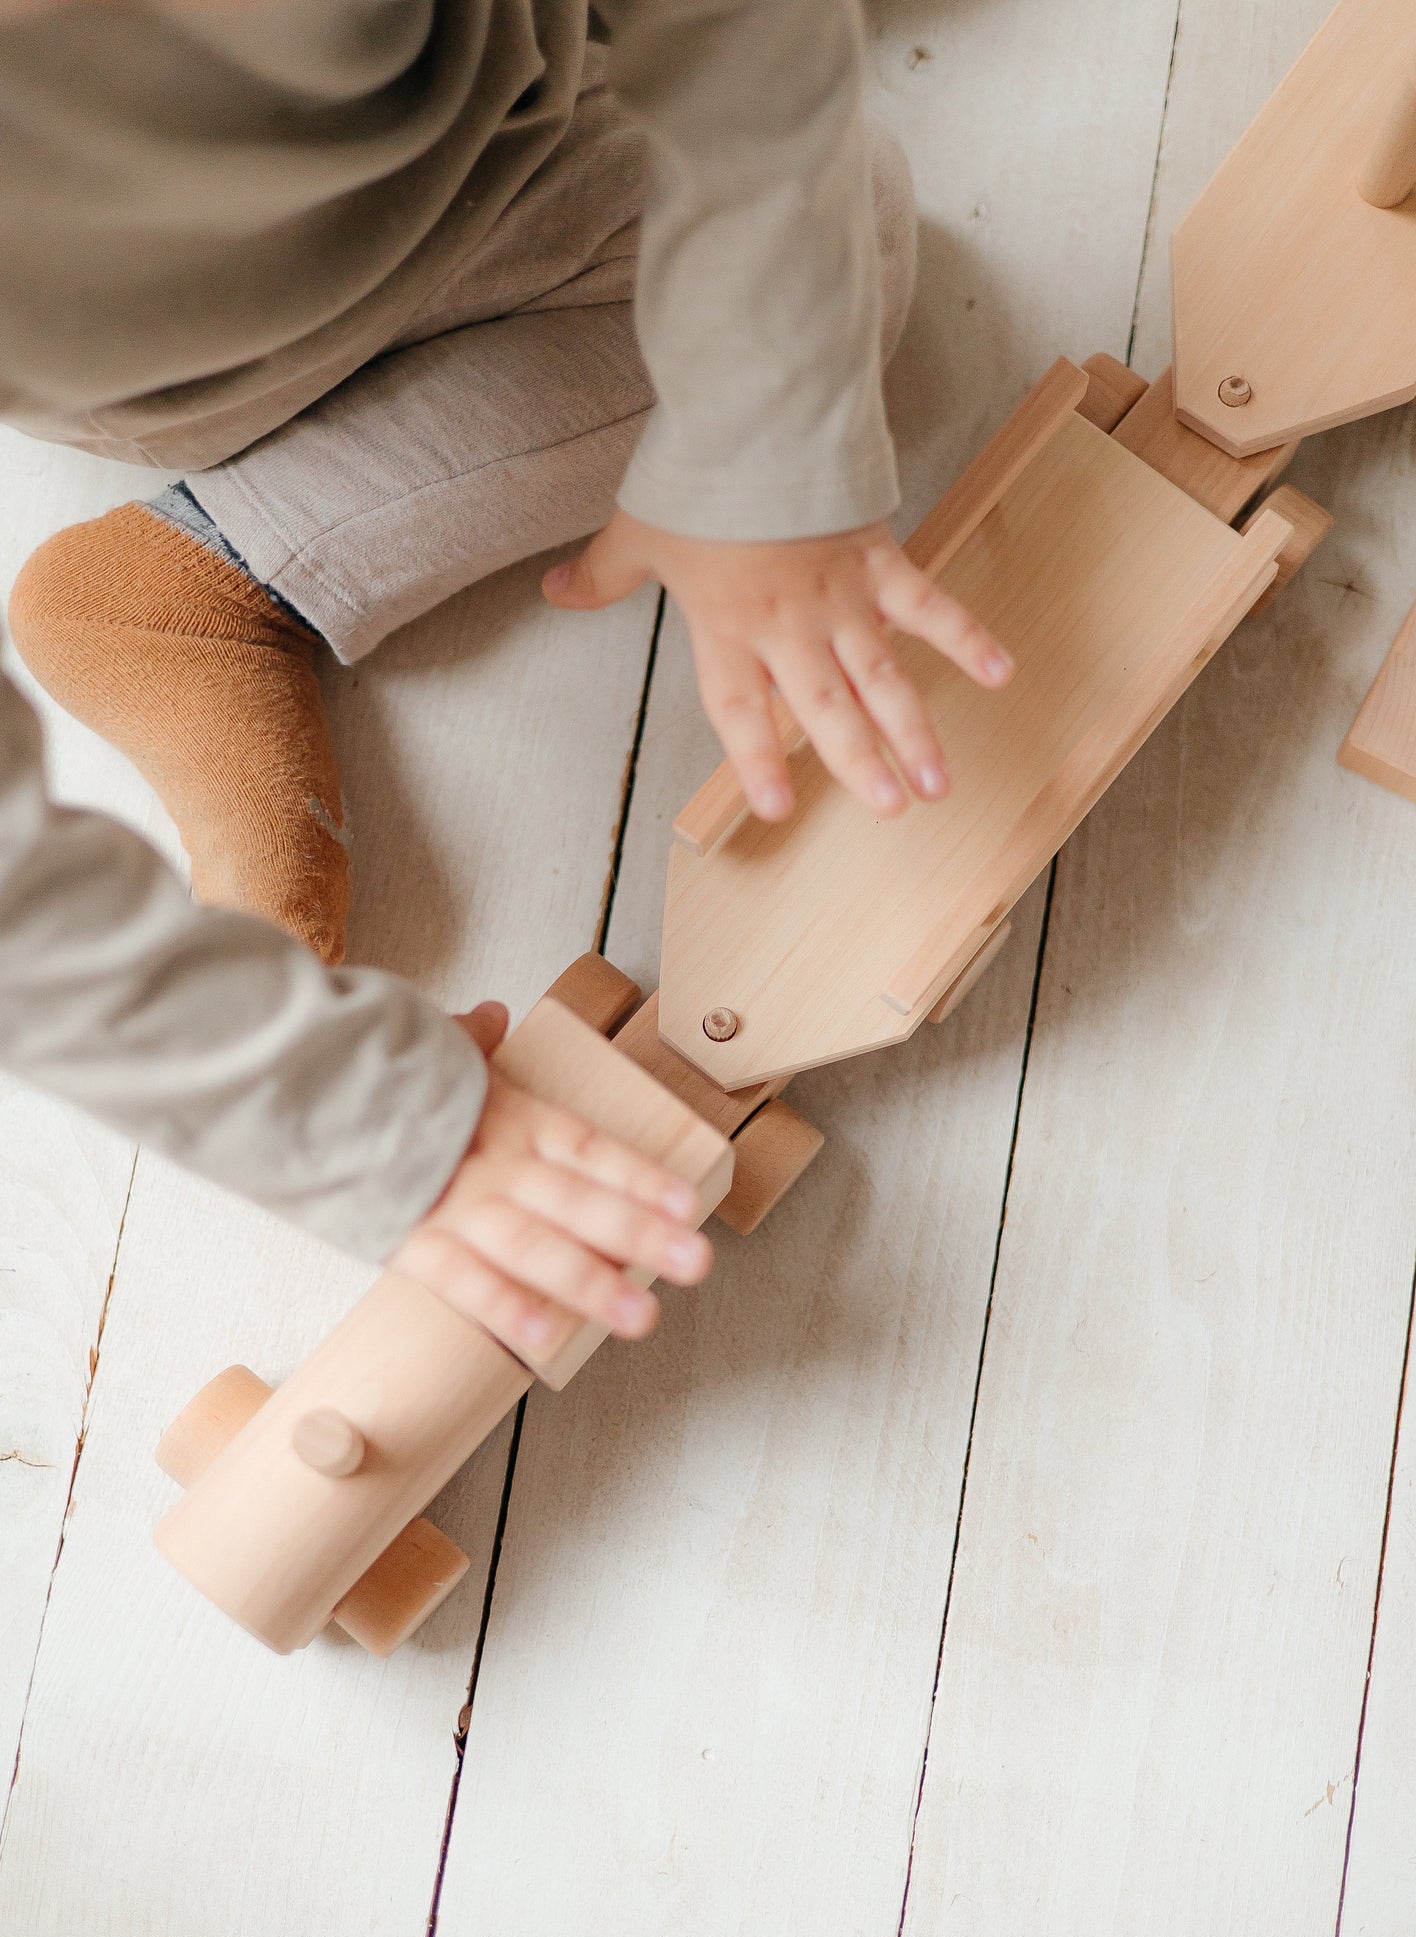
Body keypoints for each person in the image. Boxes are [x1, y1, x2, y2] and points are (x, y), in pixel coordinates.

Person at [0, 0, 1011, 1345]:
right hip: (226, 327)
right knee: (853, 227)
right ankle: (209, 576)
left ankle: (213, 564)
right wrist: (329, 1107)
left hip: (449, 167)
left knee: (824, 235)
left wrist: (764, 445)